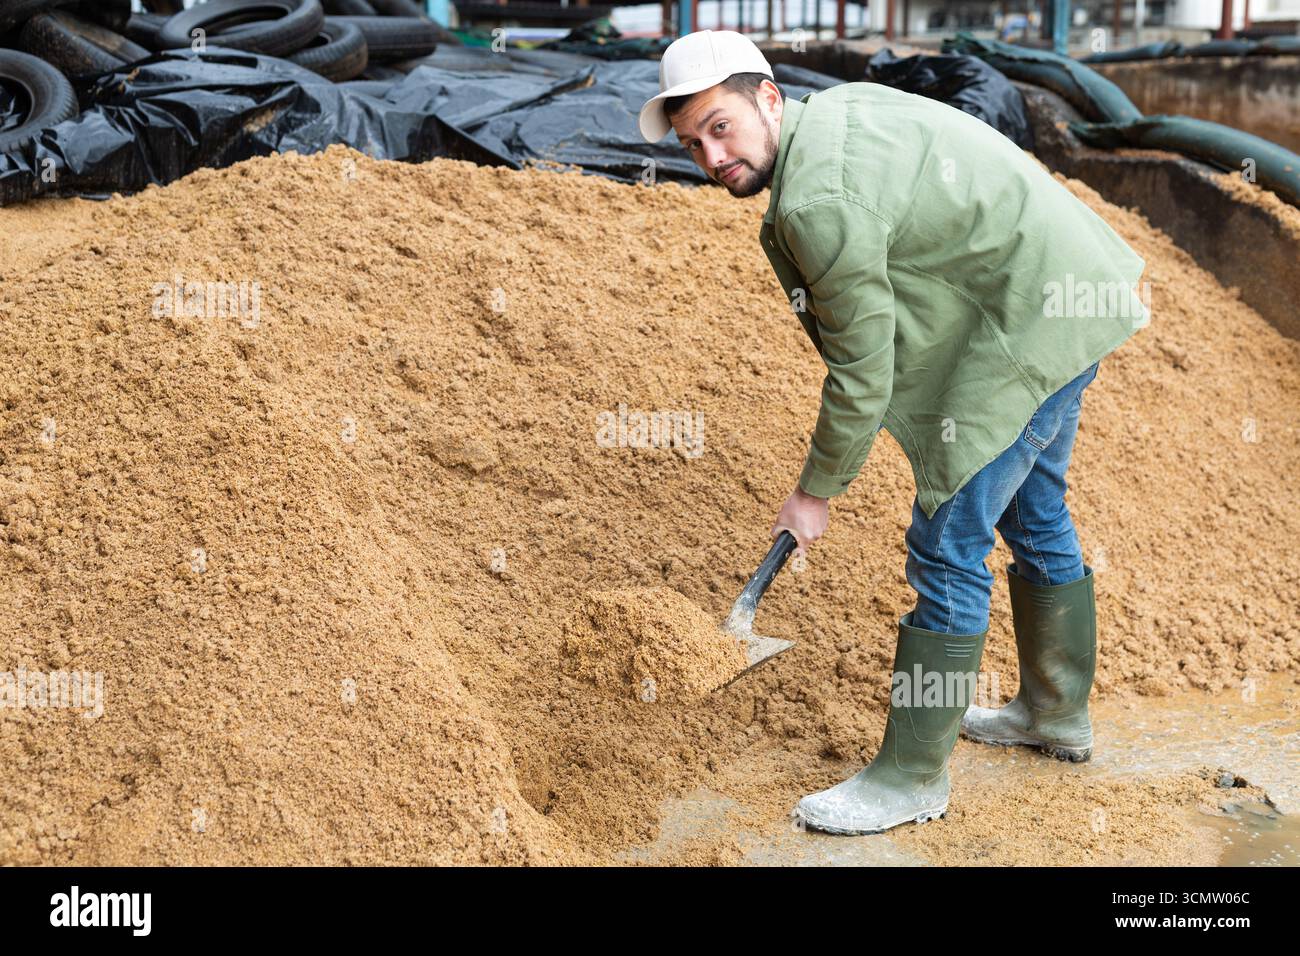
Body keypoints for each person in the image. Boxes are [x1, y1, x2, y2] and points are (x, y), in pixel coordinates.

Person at [638, 30, 1148, 835]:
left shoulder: (816, 200)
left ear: (767, 97)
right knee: (1032, 510)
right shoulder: (832, 117)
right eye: (693, 140)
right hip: (1065, 285)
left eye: (720, 125)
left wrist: (814, 493)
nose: (709, 154)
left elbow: (862, 373)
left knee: (947, 547)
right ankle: (1055, 713)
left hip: (1033, 321)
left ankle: (911, 774)